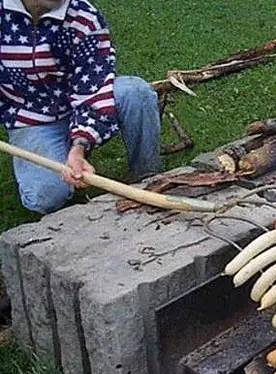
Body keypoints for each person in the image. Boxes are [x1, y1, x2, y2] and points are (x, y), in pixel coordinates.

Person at [0, 0, 161, 214]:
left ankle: (148, 177)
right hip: (30, 117)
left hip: (81, 100)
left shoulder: (83, 16)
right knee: (44, 198)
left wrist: (80, 145)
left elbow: (94, 87)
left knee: (136, 92)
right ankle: (60, 160)